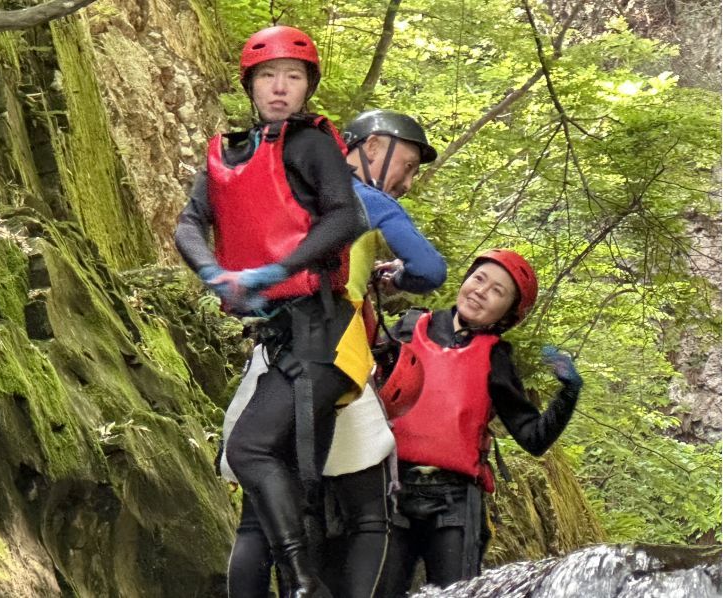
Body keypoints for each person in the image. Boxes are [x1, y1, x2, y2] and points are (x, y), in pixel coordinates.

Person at [174, 25, 372, 598]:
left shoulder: (310, 144)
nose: (280, 87)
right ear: (250, 86)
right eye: (268, 76)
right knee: (284, 474)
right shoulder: (228, 155)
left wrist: (275, 270)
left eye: (293, 76)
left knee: (250, 449)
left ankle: (306, 583)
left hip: (324, 331)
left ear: (308, 86)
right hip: (284, 340)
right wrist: (213, 272)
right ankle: (300, 584)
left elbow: (346, 217)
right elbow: (188, 223)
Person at [219, 109, 447, 598]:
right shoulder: (367, 200)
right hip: (335, 357)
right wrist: (398, 276)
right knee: (370, 516)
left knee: (256, 519)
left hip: (271, 356)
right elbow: (430, 269)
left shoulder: (287, 189)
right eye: (407, 164)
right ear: (372, 147)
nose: (407, 180)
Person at [378, 249, 584, 595]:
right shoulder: (410, 328)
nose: (481, 291)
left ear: (506, 314)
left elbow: (534, 438)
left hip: (455, 502)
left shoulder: (496, 358)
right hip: (390, 488)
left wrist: (568, 393)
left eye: (497, 292)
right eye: (479, 279)